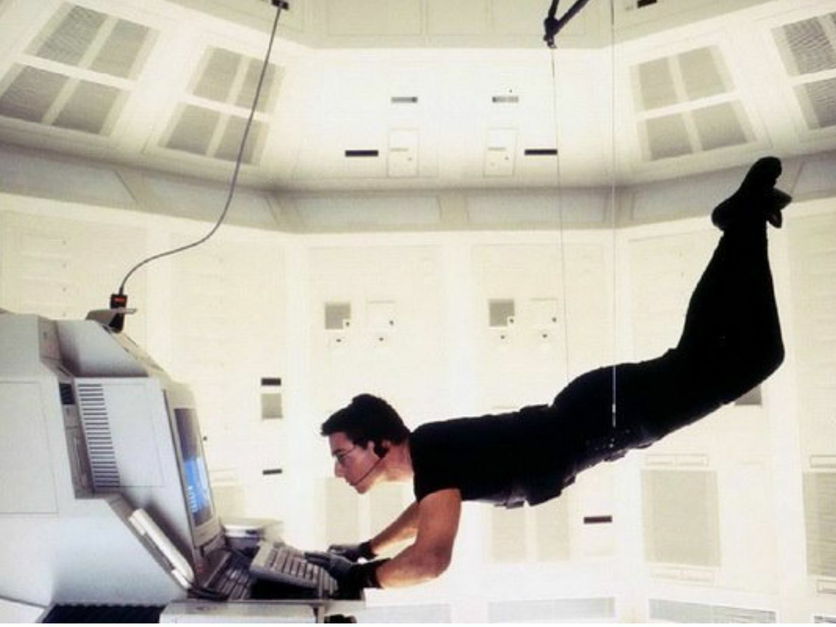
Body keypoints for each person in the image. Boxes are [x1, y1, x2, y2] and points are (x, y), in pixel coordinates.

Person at [304, 157, 791, 594]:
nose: (338, 470)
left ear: (379, 445)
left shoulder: (431, 450)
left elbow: (430, 560)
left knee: (754, 356)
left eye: (342, 455)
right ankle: (741, 220)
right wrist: (365, 550)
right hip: (605, 414)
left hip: (611, 415)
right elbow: (422, 515)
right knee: (712, 354)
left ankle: (742, 220)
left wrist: (357, 578)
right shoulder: (433, 466)